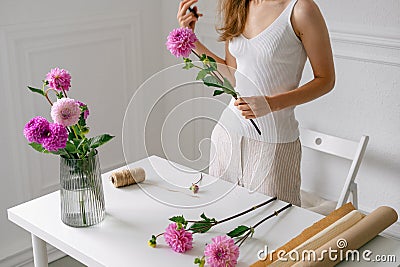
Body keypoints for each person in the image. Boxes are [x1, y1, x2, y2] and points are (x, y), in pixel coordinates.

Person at [176, 0, 335, 206]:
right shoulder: (237, 5)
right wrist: (191, 40)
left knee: (277, 228)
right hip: (226, 138)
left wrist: (272, 103)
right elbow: (232, 77)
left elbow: (326, 80)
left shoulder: (301, 9)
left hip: (273, 146)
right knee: (223, 221)